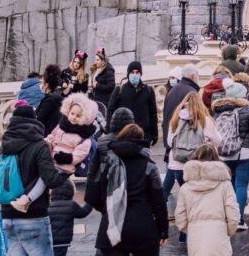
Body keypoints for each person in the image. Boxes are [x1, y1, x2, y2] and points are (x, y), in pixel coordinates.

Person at [86, 124, 168, 256]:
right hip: (143, 227)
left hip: (112, 226)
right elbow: (159, 201)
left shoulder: (109, 163)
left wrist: (107, 210)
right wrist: (163, 230)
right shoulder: (149, 166)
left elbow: (94, 195)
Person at [0, 104, 69, 255]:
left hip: (7, 215)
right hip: (33, 215)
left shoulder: (2, 149)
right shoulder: (39, 145)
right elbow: (51, 180)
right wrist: (66, 171)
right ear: (34, 121)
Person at [211, 79, 249, 231]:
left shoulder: (219, 110)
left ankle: (227, 217)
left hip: (225, 153)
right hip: (245, 152)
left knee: (228, 186)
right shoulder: (247, 110)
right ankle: (239, 220)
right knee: (241, 185)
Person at [175, 144, 239, 256]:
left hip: (196, 240)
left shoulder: (185, 188)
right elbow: (233, 214)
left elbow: (180, 217)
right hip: (219, 238)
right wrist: (227, 231)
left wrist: (191, 228)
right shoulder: (225, 185)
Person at [164, 92, 219, 218]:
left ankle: (184, 234)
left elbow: (169, 142)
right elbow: (217, 141)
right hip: (199, 165)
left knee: (186, 197)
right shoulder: (206, 121)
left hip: (178, 165)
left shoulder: (175, 120)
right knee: (198, 199)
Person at [44, 93, 99, 174]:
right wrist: (44, 143)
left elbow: (80, 153)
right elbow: (52, 136)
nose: (74, 117)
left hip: (65, 166)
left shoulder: (83, 135)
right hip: (51, 160)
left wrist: (68, 158)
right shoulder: (61, 126)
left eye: (78, 116)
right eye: (72, 114)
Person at [108, 61, 159, 146]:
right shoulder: (120, 90)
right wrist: (109, 131)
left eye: (137, 72)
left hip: (143, 135)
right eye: (132, 72)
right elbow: (111, 110)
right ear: (128, 74)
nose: (135, 74)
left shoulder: (148, 90)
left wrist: (154, 134)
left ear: (140, 74)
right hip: (124, 135)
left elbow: (153, 113)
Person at [163, 65, 201, 159]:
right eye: (197, 74)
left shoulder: (172, 91)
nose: (198, 77)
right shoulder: (191, 92)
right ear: (193, 76)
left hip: (170, 137)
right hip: (184, 143)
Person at [88, 107, 134, 182]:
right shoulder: (136, 143)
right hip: (130, 183)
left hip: (106, 183)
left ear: (112, 122)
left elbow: (92, 170)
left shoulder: (101, 142)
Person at [48, 179, 93, 256]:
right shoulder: (71, 205)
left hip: (49, 240)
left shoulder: (48, 206)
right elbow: (84, 212)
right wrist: (91, 201)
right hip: (63, 242)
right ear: (70, 192)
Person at [36, 64, 66, 133]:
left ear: (46, 84)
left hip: (47, 135)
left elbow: (39, 119)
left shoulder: (50, 100)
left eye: (42, 82)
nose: (41, 84)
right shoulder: (56, 96)